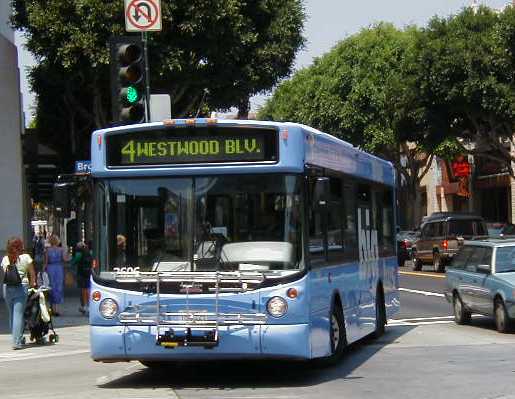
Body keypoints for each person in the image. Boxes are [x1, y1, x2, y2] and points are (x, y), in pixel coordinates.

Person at [1, 237, 36, 350]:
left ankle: (17, 338)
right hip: (21, 287)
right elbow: (32, 273)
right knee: (18, 315)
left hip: (8, 288)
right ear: (21, 246)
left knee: (12, 315)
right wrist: (32, 285)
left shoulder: (6, 259)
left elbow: (6, 274)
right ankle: (17, 341)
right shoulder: (26, 257)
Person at [45, 235, 66, 316]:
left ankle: (52, 308)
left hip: (50, 269)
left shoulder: (47, 250)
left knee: (51, 287)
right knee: (58, 287)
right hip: (58, 268)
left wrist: (43, 270)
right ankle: (57, 308)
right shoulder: (61, 250)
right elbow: (64, 259)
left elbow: (46, 262)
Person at [72, 242, 92, 315]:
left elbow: (73, 262)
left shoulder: (78, 254)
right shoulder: (90, 252)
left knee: (83, 290)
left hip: (81, 273)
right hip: (88, 273)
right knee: (88, 289)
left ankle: (83, 306)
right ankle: (89, 306)